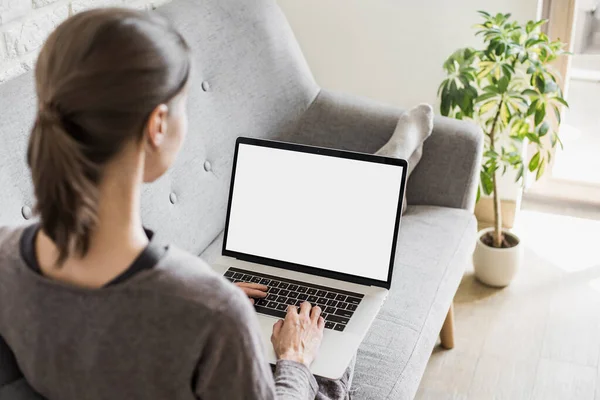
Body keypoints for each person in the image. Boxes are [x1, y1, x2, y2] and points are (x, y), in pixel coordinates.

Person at [0, 8, 352, 400]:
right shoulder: (212, 312)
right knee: (333, 375)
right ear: (158, 126)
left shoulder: (5, 255)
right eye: (185, 106)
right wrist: (295, 361)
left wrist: (190, 290)